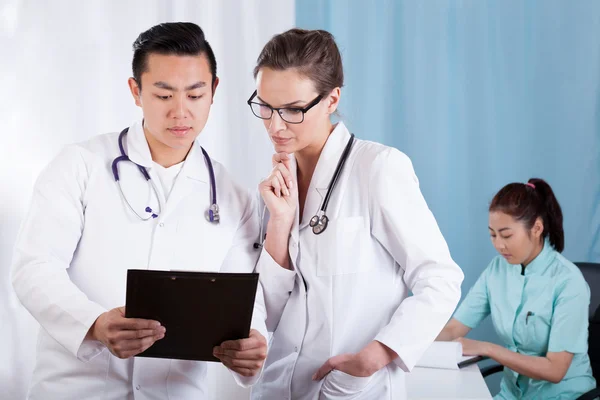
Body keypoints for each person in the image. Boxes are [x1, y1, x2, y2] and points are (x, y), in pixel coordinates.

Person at [11, 22, 268, 399]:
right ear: (136, 91)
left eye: (195, 95)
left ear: (214, 90)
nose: (181, 112)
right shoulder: (80, 165)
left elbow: (246, 299)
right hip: (74, 389)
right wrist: (94, 323)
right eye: (164, 96)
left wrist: (253, 342)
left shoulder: (234, 198)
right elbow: (33, 267)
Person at [247, 28, 464, 400]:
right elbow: (268, 309)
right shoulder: (276, 185)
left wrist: (377, 354)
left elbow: (440, 279)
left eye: (294, 110)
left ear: (332, 99)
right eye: (265, 106)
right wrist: (279, 226)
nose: (275, 125)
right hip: (277, 386)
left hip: (349, 388)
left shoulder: (377, 168)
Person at [437, 178, 597, 399]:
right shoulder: (497, 270)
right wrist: (402, 342)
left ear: (537, 228)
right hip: (512, 395)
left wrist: (488, 349)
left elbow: (555, 370)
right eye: (493, 234)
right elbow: (454, 329)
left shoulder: (568, 282)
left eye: (506, 235)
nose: (499, 245)